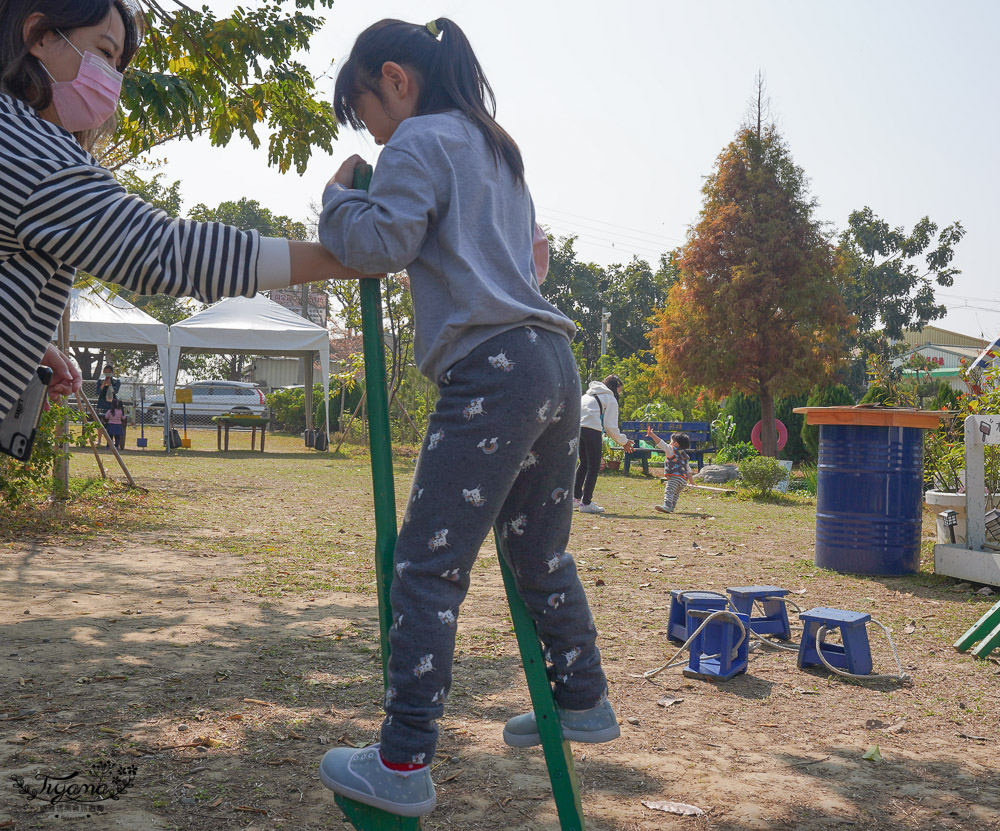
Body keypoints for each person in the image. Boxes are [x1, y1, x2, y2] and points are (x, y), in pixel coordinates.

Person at [315, 17, 617, 818]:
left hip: (492, 370)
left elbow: (382, 241)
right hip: (554, 360)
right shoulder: (496, 148)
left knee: (427, 565)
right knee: (540, 550)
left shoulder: (417, 143)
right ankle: (583, 694)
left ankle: (403, 757)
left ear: (396, 80)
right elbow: (523, 257)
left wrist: (336, 200)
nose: (372, 133)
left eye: (367, 111)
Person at [0, 0, 365, 426]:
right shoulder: (31, 153)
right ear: (40, 36)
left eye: (118, 66)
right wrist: (342, 258)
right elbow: (165, 251)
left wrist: (24, 342)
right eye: (103, 53)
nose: (111, 79)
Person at [574, 375, 634, 514]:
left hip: (577, 428)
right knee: (593, 466)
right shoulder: (610, 398)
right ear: (615, 387)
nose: (620, 393)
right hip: (592, 429)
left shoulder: (587, 395)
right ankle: (586, 502)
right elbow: (610, 426)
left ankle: (575, 498)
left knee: (583, 463)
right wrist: (624, 441)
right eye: (620, 389)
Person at [646, 426, 694, 513]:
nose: (669, 443)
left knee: (669, 491)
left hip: (675, 477)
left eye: (671, 441)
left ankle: (667, 506)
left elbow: (661, 443)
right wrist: (691, 481)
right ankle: (671, 507)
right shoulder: (685, 455)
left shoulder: (671, 449)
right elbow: (688, 469)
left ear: (676, 444)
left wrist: (652, 435)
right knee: (675, 494)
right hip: (683, 479)